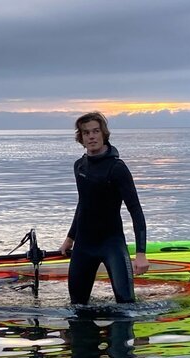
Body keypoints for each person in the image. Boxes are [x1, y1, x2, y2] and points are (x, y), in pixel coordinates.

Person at [59, 112, 149, 304]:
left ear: (103, 134)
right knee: (77, 306)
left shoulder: (117, 168)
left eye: (95, 131)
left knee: (126, 305)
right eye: (86, 133)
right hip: (84, 245)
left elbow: (136, 210)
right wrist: (70, 238)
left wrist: (141, 254)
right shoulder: (79, 166)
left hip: (112, 244)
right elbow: (83, 203)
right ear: (81, 138)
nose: (91, 136)